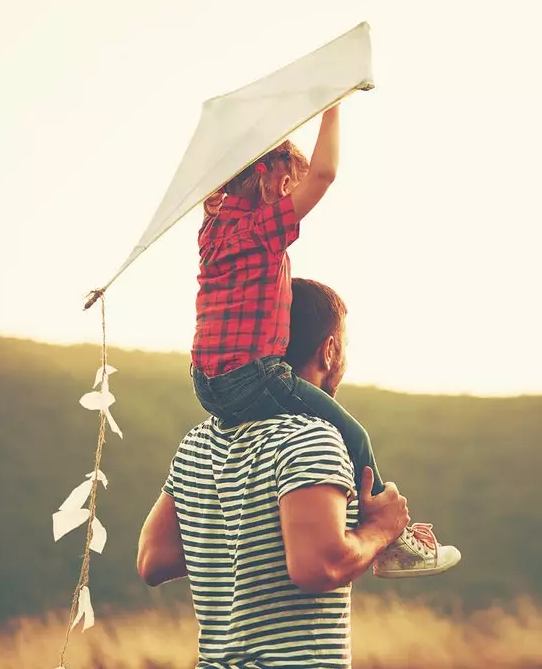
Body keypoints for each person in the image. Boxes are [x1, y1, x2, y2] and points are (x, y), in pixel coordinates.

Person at [189, 104, 456, 578]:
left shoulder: (213, 227)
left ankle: (325, 517)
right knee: (354, 436)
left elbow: (303, 174)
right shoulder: (259, 229)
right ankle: (391, 540)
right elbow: (325, 174)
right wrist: (331, 105)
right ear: (267, 176)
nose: (295, 192)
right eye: (289, 182)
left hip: (205, 383)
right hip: (251, 376)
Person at [138, 278, 462, 668]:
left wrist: (251, 536)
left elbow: (153, 560)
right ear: (329, 351)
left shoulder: (197, 442)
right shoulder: (311, 436)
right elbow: (318, 567)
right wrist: (381, 531)